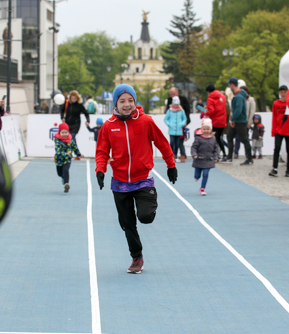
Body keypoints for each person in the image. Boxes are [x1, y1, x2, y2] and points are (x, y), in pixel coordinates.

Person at [95, 84, 177, 274]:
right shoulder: (108, 126)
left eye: (130, 100)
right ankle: (136, 258)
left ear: (135, 101)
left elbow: (162, 143)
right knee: (127, 224)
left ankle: (149, 203)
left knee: (145, 217)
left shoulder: (146, 121)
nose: (127, 104)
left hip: (143, 179)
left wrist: (171, 165)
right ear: (116, 103)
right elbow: (101, 151)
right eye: (122, 101)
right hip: (120, 182)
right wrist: (101, 170)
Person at [222, 78, 253, 165]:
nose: (229, 86)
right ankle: (229, 157)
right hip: (238, 120)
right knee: (230, 137)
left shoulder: (238, 96)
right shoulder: (239, 95)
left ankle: (249, 158)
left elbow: (238, 109)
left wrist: (233, 119)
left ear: (232, 85)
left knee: (244, 139)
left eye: (229, 85)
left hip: (239, 121)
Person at [191, 118, 220, 196]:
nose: (206, 131)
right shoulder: (198, 138)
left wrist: (216, 157)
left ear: (210, 129)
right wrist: (194, 154)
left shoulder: (213, 138)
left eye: (208, 129)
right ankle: (196, 176)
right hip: (199, 159)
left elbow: (216, 149)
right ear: (201, 129)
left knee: (205, 174)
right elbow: (194, 147)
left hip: (208, 160)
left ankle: (202, 188)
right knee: (197, 174)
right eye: (204, 129)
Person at [269, 85, 289, 177]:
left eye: (284, 92)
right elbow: (274, 117)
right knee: (277, 148)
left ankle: (288, 169)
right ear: (279, 93)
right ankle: (275, 168)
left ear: (287, 92)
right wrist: (273, 131)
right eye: (281, 92)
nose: (283, 94)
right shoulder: (276, 103)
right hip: (279, 130)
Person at [60, 90, 90, 159]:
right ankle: (77, 154)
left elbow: (86, 113)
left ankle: (70, 153)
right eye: (72, 98)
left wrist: (87, 120)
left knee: (72, 137)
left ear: (77, 98)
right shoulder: (67, 103)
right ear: (70, 98)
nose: (73, 100)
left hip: (76, 124)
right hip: (68, 124)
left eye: (75, 98)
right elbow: (61, 110)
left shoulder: (79, 105)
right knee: (71, 139)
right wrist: (62, 117)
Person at [54, 123, 82, 193]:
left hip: (67, 159)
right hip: (59, 159)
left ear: (68, 132)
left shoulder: (70, 140)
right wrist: (65, 153)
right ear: (59, 133)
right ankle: (63, 178)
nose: (64, 134)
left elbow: (75, 147)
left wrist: (79, 154)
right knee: (60, 173)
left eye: (66, 132)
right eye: (62, 132)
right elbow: (57, 151)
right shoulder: (57, 140)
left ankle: (67, 184)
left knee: (66, 170)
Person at [164, 87, 191, 162]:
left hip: (180, 129)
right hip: (172, 129)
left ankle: (182, 155)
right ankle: (173, 155)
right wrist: (169, 124)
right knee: (172, 143)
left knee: (180, 143)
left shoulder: (183, 105)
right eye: (171, 94)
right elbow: (166, 117)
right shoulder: (170, 107)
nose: (172, 95)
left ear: (177, 92)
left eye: (173, 94)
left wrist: (183, 124)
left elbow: (187, 113)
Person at [204, 84, 227, 160]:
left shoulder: (210, 99)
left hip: (215, 121)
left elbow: (211, 111)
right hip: (223, 121)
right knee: (218, 138)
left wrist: (206, 113)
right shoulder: (222, 96)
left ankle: (215, 155)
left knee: (213, 139)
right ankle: (224, 154)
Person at [233, 83, 256, 158]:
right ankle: (236, 152)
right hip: (238, 121)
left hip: (245, 121)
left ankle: (247, 153)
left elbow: (252, 111)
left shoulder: (250, 99)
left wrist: (249, 122)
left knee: (245, 138)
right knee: (237, 138)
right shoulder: (239, 97)